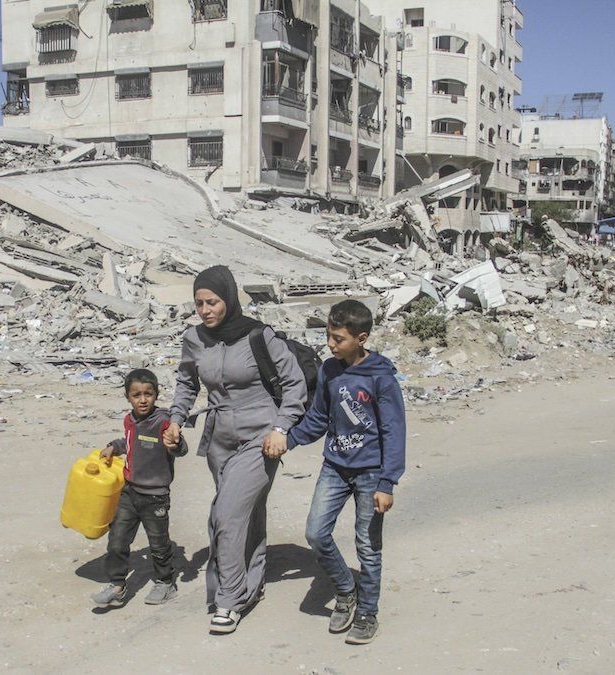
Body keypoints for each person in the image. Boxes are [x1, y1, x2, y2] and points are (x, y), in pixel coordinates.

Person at [163, 265, 306, 635]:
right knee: (246, 513)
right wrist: (176, 418)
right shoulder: (194, 338)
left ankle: (228, 600)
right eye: (199, 303)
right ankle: (250, 584)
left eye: (213, 302)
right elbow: (185, 381)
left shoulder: (260, 335)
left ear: (229, 299)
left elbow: (294, 385)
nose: (205, 310)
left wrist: (280, 428)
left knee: (226, 515)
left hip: (260, 437)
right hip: (218, 437)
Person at [274, 300, 406, 645]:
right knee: (316, 533)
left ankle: (367, 612)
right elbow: (319, 417)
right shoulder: (330, 371)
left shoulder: (381, 377)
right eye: (328, 336)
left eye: (338, 338)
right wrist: (288, 440)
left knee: (368, 546)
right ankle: (347, 590)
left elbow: (393, 430)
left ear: (361, 338)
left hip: (371, 473)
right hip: (335, 466)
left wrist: (387, 482)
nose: (330, 345)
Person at [91, 368, 188, 608]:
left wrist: (175, 443)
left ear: (156, 394)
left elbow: (180, 448)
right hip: (129, 492)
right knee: (117, 540)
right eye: (136, 395)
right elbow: (130, 442)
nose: (143, 400)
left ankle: (165, 583)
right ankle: (117, 585)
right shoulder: (129, 420)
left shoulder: (163, 422)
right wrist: (114, 446)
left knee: (158, 544)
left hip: (155, 497)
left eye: (148, 394)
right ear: (128, 397)